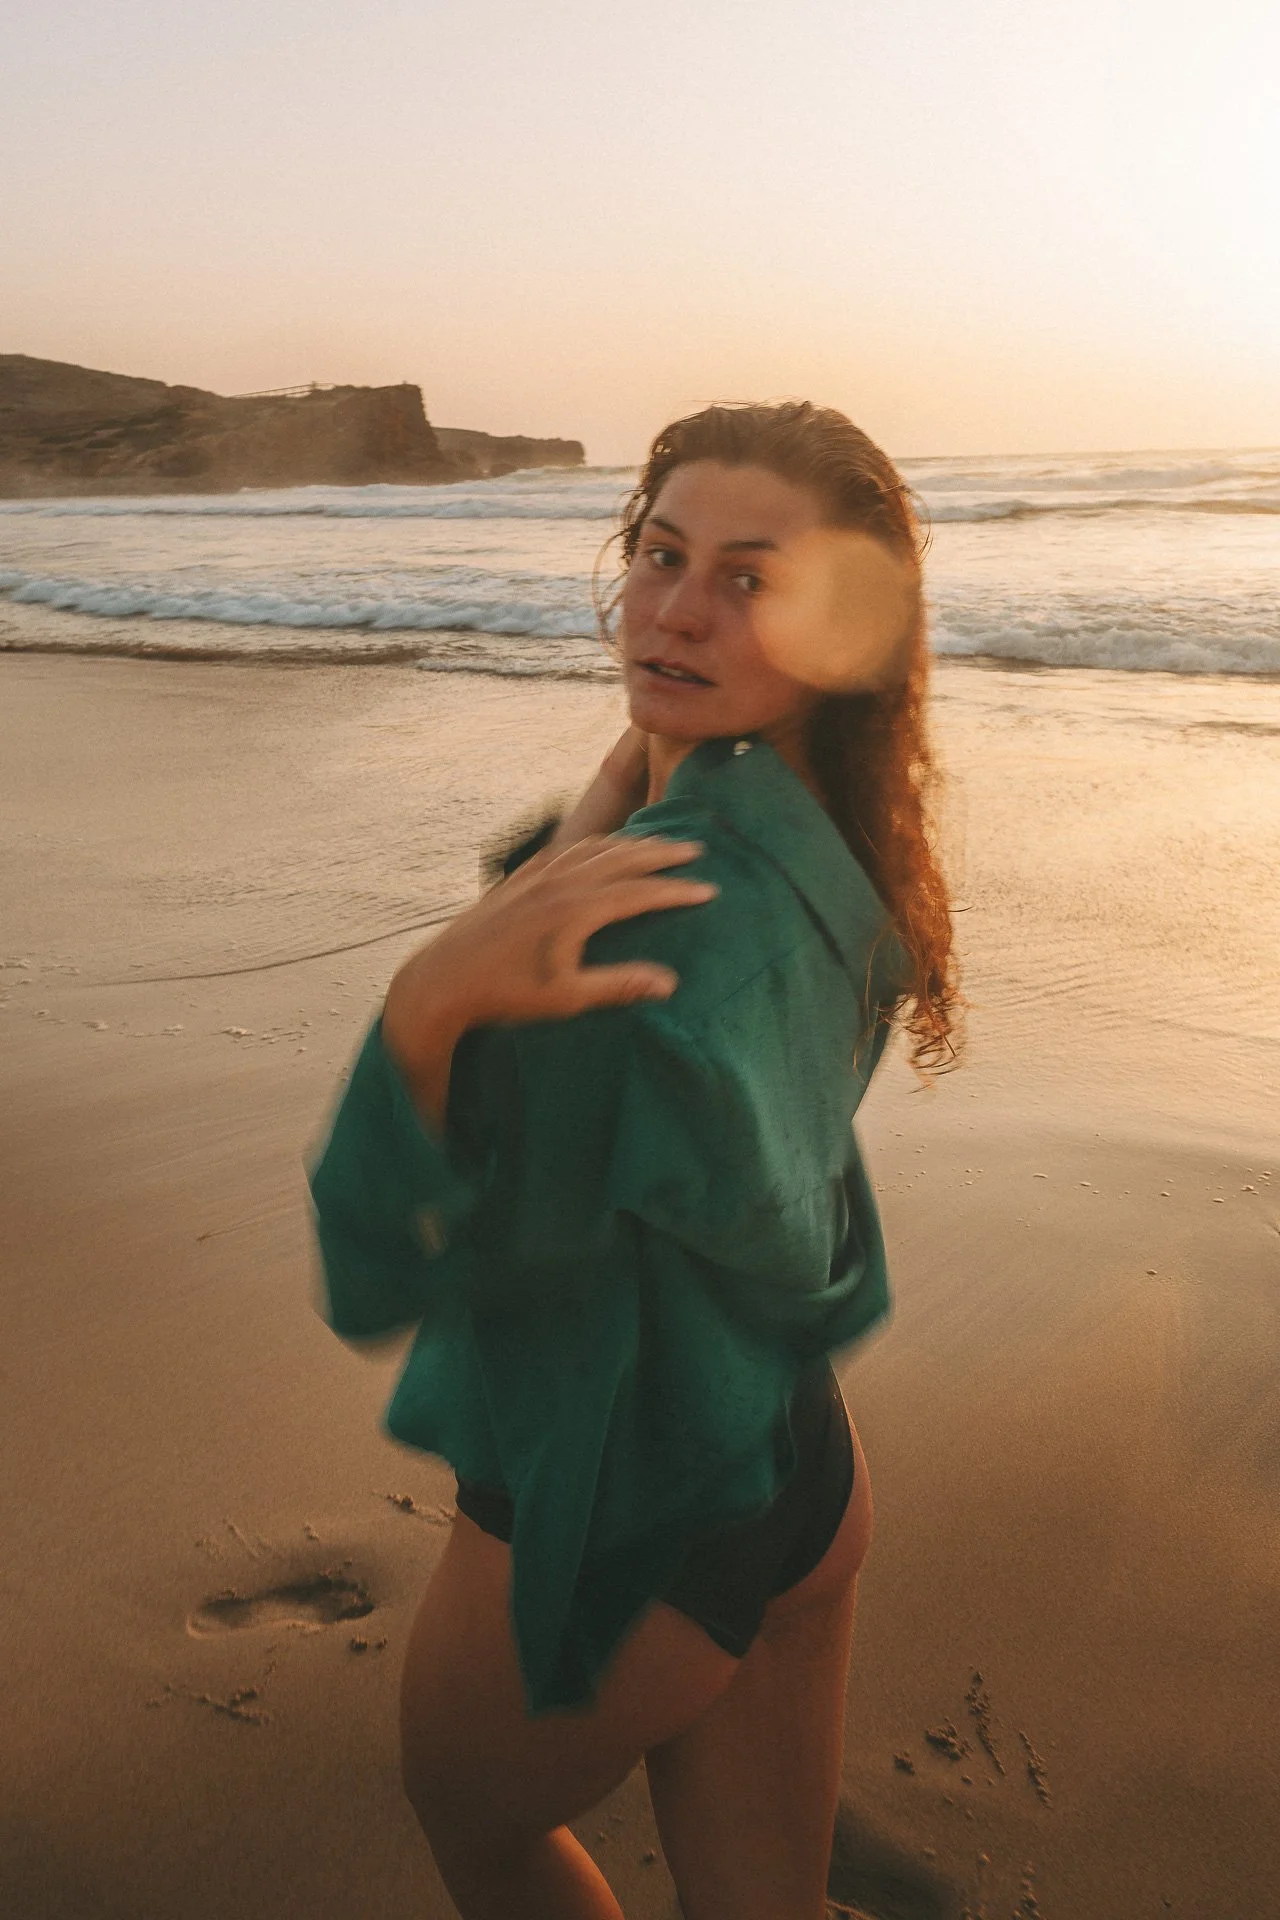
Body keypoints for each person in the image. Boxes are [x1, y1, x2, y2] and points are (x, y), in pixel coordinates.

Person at [308, 400, 959, 1920]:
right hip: (798, 1463)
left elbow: (381, 1259)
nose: (673, 608)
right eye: (662, 553)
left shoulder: (628, 961)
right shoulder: (833, 825)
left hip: (626, 1502)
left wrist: (430, 1001)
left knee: (476, 1822)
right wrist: (624, 781)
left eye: (751, 579)